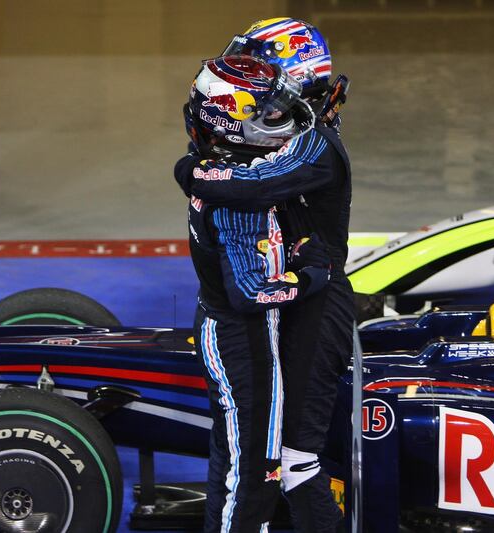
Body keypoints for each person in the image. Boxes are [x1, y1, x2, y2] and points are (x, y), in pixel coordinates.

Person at [175, 18, 353, 532]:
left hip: (314, 309)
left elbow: (253, 186)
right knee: (250, 460)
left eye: (260, 63)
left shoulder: (314, 144)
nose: (251, 74)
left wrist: (190, 173)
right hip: (271, 301)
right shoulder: (253, 143)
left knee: (293, 462)